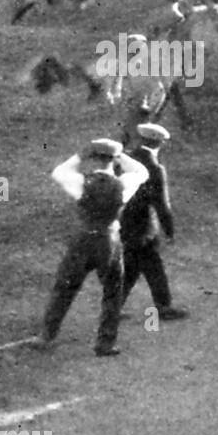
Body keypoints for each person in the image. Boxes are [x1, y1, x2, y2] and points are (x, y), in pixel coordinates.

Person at [32, 139, 150, 357]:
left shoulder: (80, 182)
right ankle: (105, 343)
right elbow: (142, 171)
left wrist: (80, 155)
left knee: (64, 287)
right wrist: (121, 155)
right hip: (109, 241)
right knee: (113, 292)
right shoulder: (123, 184)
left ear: (93, 157)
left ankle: (46, 335)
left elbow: (59, 172)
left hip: (83, 239)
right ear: (113, 161)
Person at [120, 124, 188, 321]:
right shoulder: (155, 168)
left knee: (134, 267)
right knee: (151, 265)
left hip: (124, 223)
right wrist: (170, 231)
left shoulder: (126, 159)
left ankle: (114, 306)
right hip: (144, 226)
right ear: (159, 142)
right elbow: (162, 205)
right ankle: (162, 307)